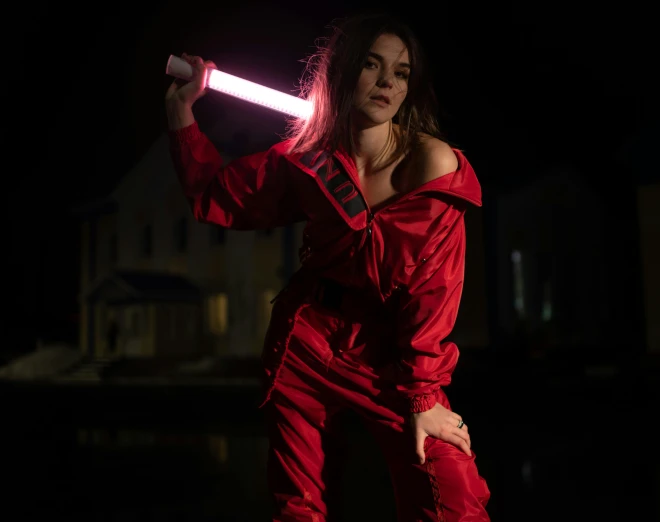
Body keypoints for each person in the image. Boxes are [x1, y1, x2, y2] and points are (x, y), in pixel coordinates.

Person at [165, 11, 490, 521]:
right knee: (299, 510)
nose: (386, 82)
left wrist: (424, 395)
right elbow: (218, 196)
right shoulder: (306, 156)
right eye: (371, 65)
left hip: (391, 355)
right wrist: (182, 115)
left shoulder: (432, 165)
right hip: (307, 340)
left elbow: (436, 290)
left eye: (401, 72)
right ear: (339, 73)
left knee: (450, 498)